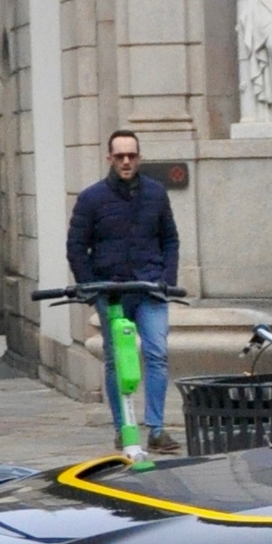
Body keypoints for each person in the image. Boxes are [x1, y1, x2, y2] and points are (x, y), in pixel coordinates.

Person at [65, 129, 181, 454]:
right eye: (120, 156)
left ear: (139, 158)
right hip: (112, 292)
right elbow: (76, 247)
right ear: (109, 159)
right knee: (117, 359)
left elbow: (170, 239)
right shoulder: (91, 199)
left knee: (157, 353)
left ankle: (157, 429)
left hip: (150, 287)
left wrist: (166, 278)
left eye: (131, 156)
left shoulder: (156, 194)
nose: (126, 161)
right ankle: (123, 427)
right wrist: (90, 286)